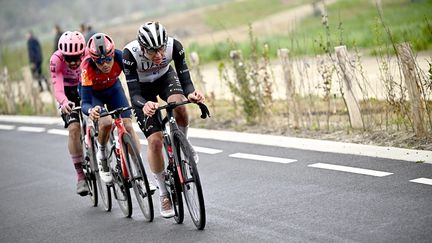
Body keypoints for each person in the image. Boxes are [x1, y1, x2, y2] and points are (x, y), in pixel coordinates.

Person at [122, 21, 205, 218]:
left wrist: (191, 93)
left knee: (181, 107)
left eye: (161, 49)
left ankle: (183, 143)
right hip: (142, 91)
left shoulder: (174, 46)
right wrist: (144, 104)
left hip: (165, 78)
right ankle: (164, 192)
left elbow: (185, 79)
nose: (159, 55)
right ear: (142, 48)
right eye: (152, 51)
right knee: (156, 141)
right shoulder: (129, 55)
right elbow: (133, 93)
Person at [80, 33, 140, 184]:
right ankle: (102, 155)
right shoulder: (87, 67)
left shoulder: (120, 57)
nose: (105, 64)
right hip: (94, 95)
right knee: (106, 122)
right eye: (100, 61)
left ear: (113, 54)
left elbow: (134, 82)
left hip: (114, 89)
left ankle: (140, 173)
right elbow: (85, 102)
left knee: (127, 125)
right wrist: (90, 111)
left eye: (108, 59)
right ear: (94, 60)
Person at [49, 31, 88, 196]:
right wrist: (64, 103)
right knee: (74, 129)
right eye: (68, 58)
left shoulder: (88, 54)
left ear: (82, 53)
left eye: (76, 58)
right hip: (67, 93)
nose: (73, 62)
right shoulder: (56, 60)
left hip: (85, 87)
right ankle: (80, 176)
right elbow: (57, 89)